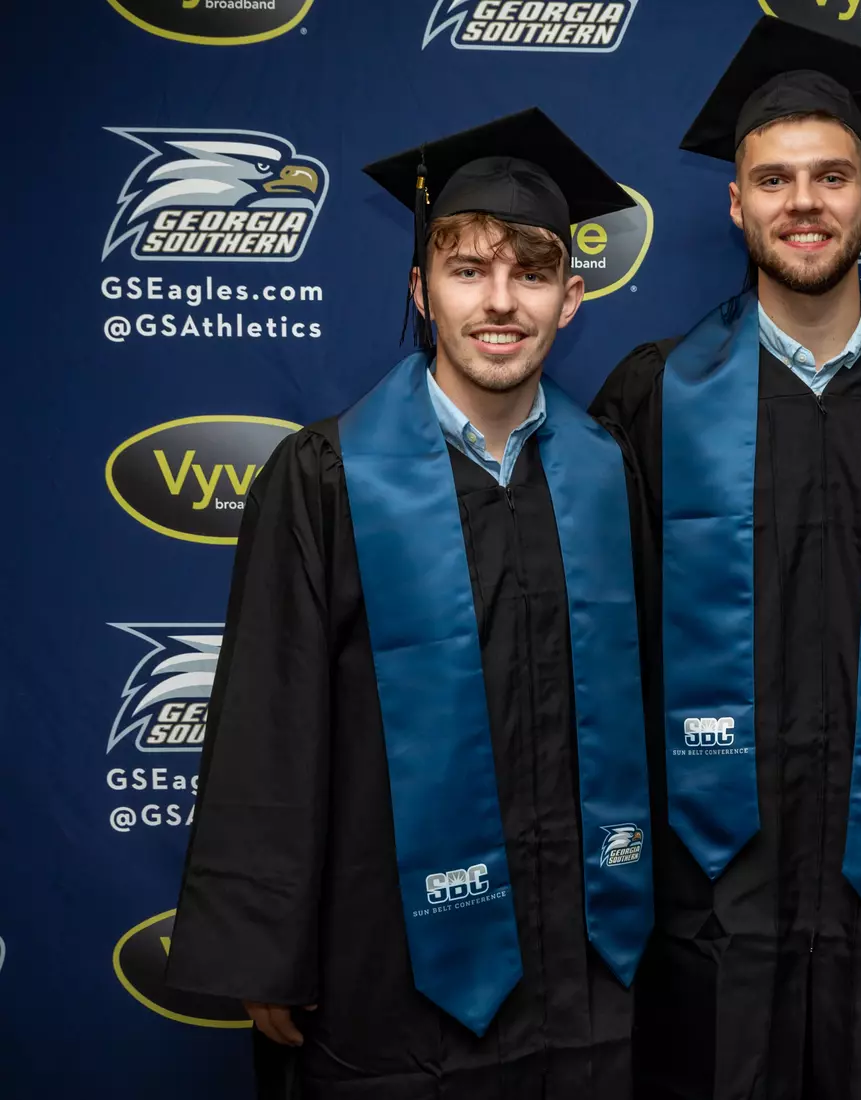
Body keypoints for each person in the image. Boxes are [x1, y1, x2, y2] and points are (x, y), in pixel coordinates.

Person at [165, 108, 655, 1099]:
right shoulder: (328, 477)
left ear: (572, 298)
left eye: (531, 272)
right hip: (387, 960)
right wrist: (269, 948)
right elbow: (270, 720)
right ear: (421, 291)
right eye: (469, 270)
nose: (500, 301)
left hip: (580, 961)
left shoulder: (609, 473)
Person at [590, 17, 861, 1100]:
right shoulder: (657, 396)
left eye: (832, 176)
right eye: (774, 180)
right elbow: (597, 649)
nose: (804, 204)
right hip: (713, 890)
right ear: (737, 204)